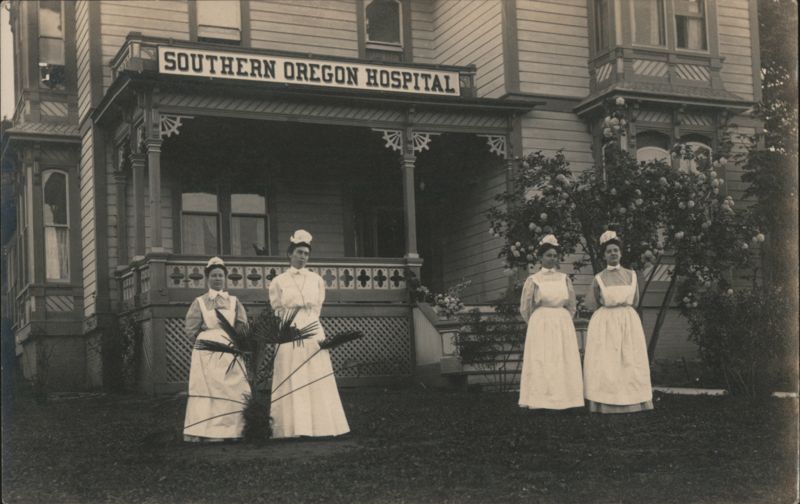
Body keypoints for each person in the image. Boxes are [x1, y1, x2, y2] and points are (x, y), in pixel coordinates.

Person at [268, 230, 350, 438]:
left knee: (315, 372)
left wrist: (309, 323)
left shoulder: (316, 280)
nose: (303, 257)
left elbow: (317, 307)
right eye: (299, 252)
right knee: (292, 372)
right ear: (290, 254)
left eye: (306, 253)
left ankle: (321, 427)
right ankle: (292, 428)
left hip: (312, 327)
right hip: (289, 328)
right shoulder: (279, 281)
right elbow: (277, 309)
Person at [583, 230, 654, 414]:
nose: (613, 253)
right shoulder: (599, 278)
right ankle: (606, 403)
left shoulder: (632, 275)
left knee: (630, 360)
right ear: (604, 256)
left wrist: (623, 314)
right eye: (609, 251)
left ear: (621, 253)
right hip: (606, 323)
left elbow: (635, 300)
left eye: (615, 250)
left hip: (628, 322)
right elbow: (593, 303)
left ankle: (633, 401)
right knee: (608, 361)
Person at [183, 257, 251, 442]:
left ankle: (233, 431)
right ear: (208, 278)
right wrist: (206, 341)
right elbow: (191, 329)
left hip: (230, 347)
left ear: (225, 278)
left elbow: (241, 325)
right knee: (209, 389)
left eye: (221, 275)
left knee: (231, 387)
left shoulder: (234, 301)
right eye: (214, 275)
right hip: (207, 350)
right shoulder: (200, 302)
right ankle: (209, 432)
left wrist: (237, 341)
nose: (218, 279)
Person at [518, 234, 584, 410]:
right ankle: (541, 400)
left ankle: (566, 400)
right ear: (540, 258)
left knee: (562, 359)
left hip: (562, 323)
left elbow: (571, 305)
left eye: (555, 255)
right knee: (543, 359)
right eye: (548, 255)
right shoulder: (533, 280)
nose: (552, 258)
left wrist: (562, 320)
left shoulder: (564, 278)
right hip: (541, 323)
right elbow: (526, 307)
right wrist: (537, 322)